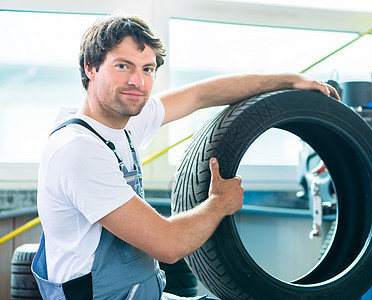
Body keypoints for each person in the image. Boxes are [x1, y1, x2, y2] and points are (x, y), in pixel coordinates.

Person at [31, 13, 340, 300]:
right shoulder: (79, 150)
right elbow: (169, 245)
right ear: (90, 67)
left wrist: (288, 81)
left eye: (147, 69)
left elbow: (201, 95)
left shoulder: (122, 123)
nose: (137, 82)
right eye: (123, 66)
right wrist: (219, 203)